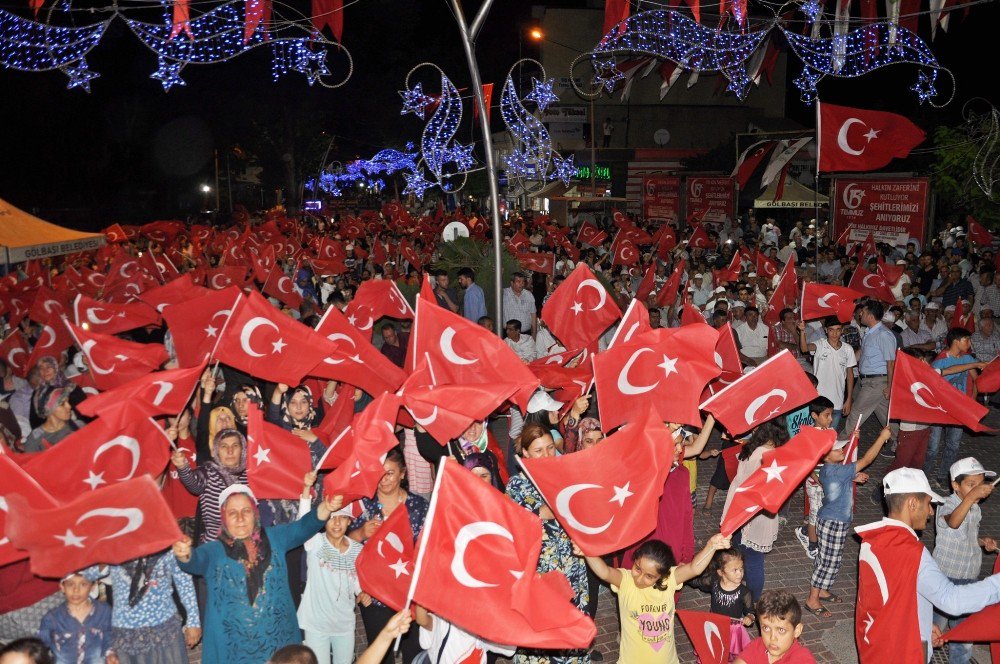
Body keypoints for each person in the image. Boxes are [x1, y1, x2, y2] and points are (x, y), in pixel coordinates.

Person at [172, 484, 343, 664]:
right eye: (232, 513)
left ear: (255, 514)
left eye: (246, 510)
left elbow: (304, 527)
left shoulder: (275, 537)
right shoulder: (213, 550)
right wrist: (185, 554)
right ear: (224, 518)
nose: (240, 518)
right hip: (234, 648)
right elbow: (195, 561)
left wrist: (327, 507)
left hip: (278, 643)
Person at [855, 467, 1000, 662]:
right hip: (902, 652)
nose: (931, 512)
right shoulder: (911, 551)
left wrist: (922, 624)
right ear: (913, 504)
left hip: (877, 646)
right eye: (928, 503)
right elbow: (952, 600)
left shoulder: (874, 539)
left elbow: (889, 594)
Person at [506, 423, 590, 664]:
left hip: (572, 565)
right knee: (542, 632)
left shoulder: (565, 476)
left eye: (550, 448)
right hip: (541, 572)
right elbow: (541, 513)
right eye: (538, 450)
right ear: (525, 454)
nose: (546, 455)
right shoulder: (516, 485)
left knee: (571, 627)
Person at [580, 535, 731, 663]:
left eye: (649, 576)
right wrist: (587, 551)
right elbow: (605, 572)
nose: (639, 578)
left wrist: (711, 545)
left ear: (662, 576)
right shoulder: (625, 581)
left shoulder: (669, 580)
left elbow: (694, 568)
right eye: (637, 568)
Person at [347, 448, 429, 664]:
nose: (384, 480)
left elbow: (429, 547)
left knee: (416, 651)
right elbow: (344, 545)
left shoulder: (418, 506)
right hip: (375, 595)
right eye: (379, 474)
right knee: (380, 654)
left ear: (402, 474)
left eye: (390, 473)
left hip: (410, 593)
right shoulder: (365, 507)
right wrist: (360, 533)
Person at [804, 427, 891, 618]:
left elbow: (836, 478)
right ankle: (812, 598)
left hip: (835, 521)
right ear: (825, 456)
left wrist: (853, 477)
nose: (842, 450)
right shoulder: (836, 471)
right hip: (832, 522)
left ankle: (823, 589)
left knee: (831, 559)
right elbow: (867, 460)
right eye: (837, 449)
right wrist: (881, 437)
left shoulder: (831, 470)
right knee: (827, 562)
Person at [931, 457, 999, 664]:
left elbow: (964, 534)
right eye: (971, 485)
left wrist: (981, 542)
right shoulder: (946, 504)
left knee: (964, 633)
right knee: (933, 630)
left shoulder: (975, 508)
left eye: (980, 484)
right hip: (945, 579)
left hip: (969, 579)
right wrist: (971, 497)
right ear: (955, 485)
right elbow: (953, 522)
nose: (977, 489)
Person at [82, 548, 201, 664]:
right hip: (126, 633)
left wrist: (193, 621)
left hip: (165, 630)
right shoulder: (114, 544)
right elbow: (86, 575)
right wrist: (101, 563)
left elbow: (184, 582)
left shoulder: (165, 544)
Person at [297, 472, 363, 664]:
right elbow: (303, 522)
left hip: (344, 625)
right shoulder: (315, 543)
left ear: (350, 521)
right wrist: (306, 488)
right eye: (332, 517)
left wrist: (362, 592)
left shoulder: (358, 550)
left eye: (342, 518)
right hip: (316, 624)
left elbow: (357, 582)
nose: (336, 523)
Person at [720, 420, 789, 602]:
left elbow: (744, 480)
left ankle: (751, 601)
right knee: (752, 556)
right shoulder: (778, 449)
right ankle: (748, 594)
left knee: (750, 558)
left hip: (747, 511)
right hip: (763, 510)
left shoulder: (759, 452)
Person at [923, 328, 987, 488]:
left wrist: (971, 402)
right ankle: (923, 475)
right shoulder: (940, 361)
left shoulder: (967, 358)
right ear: (956, 341)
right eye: (967, 340)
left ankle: (943, 475)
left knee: (953, 445)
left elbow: (976, 380)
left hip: (958, 410)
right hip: (939, 410)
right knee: (933, 447)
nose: (970, 343)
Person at [172, 428, 248, 543]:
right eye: (223, 447)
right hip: (215, 544)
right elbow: (194, 485)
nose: (230, 451)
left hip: (246, 542)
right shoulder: (208, 472)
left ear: (242, 450)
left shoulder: (251, 475)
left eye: (235, 445)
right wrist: (183, 467)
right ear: (215, 451)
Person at [842, 299, 896, 435]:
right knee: (885, 414)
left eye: (863, 312)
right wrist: (844, 363)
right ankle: (900, 440)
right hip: (866, 380)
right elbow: (862, 352)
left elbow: (891, 363)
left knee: (856, 413)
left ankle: (841, 445)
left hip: (877, 382)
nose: (860, 315)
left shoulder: (884, 335)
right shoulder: (869, 332)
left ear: (870, 316)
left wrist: (890, 386)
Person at [691, 549, 755, 659]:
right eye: (734, 570)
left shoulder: (744, 592)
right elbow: (697, 582)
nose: (740, 573)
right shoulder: (714, 582)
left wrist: (750, 617)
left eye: (741, 569)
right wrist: (682, 575)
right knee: (714, 652)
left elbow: (750, 611)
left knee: (730, 655)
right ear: (721, 572)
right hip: (714, 625)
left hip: (733, 629)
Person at [37, 574, 111, 664]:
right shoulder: (52, 618)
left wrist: (110, 654)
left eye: (83, 584)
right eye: (70, 584)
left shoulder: (104, 611)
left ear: (93, 586)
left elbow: (109, 637)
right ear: (62, 587)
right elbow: (41, 646)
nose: (76, 590)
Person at [797, 317, 855, 430]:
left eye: (838, 329)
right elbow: (804, 348)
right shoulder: (820, 344)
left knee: (830, 436)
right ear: (825, 330)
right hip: (819, 400)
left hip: (837, 401)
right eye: (831, 330)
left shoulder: (848, 349)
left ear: (842, 330)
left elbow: (850, 375)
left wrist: (849, 399)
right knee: (816, 435)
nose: (835, 333)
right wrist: (802, 331)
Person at [734, 591, 816, 664]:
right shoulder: (757, 646)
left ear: (797, 630)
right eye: (766, 628)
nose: (772, 638)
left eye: (781, 630)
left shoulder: (803, 659)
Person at [22, 387, 80, 453]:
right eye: (62, 404)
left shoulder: (78, 425)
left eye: (68, 401)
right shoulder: (35, 440)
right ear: (48, 409)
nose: (69, 406)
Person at [502, 272, 536, 339]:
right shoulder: (504, 293)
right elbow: (497, 285)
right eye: (518, 281)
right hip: (509, 335)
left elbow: (533, 316)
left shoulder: (528, 295)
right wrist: (500, 274)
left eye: (523, 282)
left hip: (526, 335)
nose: (522, 284)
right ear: (512, 283)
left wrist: (534, 334)